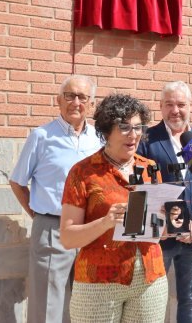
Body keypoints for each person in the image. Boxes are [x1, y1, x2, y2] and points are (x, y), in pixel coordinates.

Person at [60, 93, 168, 322]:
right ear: (107, 130)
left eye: (138, 128)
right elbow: (68, 238)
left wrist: (171, 221)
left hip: (149, 279)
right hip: (98, 283)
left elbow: (160, 232)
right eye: (125, 127)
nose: (134, 134)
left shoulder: (150, 168)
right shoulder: (83, 172)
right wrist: (106, 221)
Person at [9, 75, 102, 323]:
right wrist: (38, 215)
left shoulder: (99, 140)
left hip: (91, 231)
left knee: (89, 302)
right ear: (58, 100)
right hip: (52, 229)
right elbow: (17, 181)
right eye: (69, 96)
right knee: (47, 306)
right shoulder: (41, 136)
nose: (75, 102)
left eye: (82, 97)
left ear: (91, 105)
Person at [137, 81, 192, 323]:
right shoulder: (147, 139)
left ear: (190, 106)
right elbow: (140, 187)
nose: (176, 110)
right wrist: (158, 224)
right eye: (170, 104)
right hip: (159, 236)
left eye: (181, 104)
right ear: (161, 107)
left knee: (191, 298)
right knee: (150, 295)